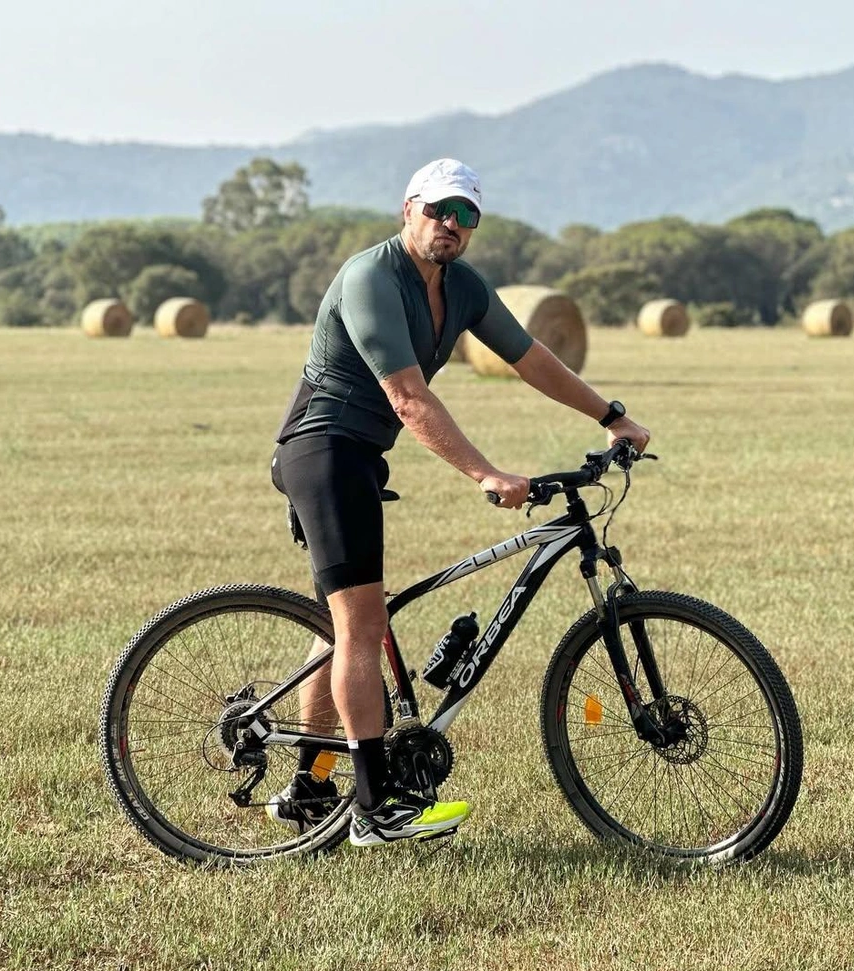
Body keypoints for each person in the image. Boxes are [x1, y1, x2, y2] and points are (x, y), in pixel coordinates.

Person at [269, 158, 650, 847]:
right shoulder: (371, 278)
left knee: (344, 625)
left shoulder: (462, 286)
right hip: (323, 449)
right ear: (408, 208)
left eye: (466, 215)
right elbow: (408, 399)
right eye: (440, 210)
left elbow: (530, 356)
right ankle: (376, 809)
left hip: (360, 455)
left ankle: (310, 783)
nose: (451, 225)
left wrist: (611, 416)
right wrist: (485, 472)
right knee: (361, 624)